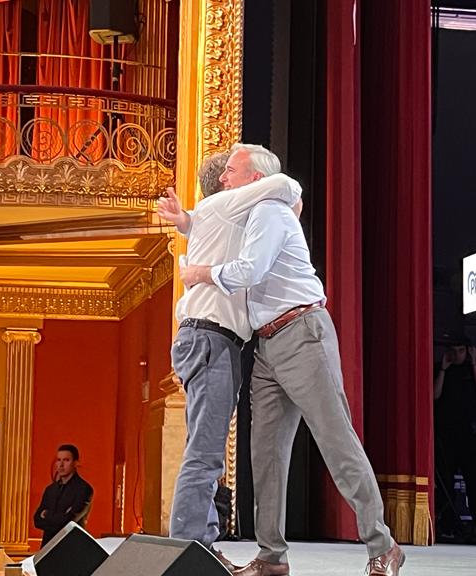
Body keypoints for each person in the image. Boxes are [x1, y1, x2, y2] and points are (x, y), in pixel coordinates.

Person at [179, 144, 403, 576]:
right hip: (266, 345)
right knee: (265, 454)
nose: (222, 178)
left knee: (336, 441)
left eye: (230, 170)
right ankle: (270, 557)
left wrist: (198, 272)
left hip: (302, 332)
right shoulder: (249, 215)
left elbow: (249, 272)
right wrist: (186, 222)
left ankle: (383, 545)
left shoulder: (269, 211)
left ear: (256, 179)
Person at [155, 148, 301, 570]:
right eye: (230, 173)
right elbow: (287, 185)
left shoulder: (219, 215)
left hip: (207, 339)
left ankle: (198, 538)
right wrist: (286, 196)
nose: (224, 180)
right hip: (210, 337)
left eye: (230, 174)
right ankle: (188, 548)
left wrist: (183, 220)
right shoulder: (229, 202)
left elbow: (195, 224)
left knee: (205, 448)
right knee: (205, 452)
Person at [434, 338, 476, 540]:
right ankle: (446, 524)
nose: (457, 355)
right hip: (446, 434)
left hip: (469, 433)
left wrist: (474, 363)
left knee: (473, 481)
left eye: (461, 350)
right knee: (446, 482)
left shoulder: (471, 369)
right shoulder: (441, 369)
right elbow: (434, 395)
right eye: (454, 350)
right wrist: (443, 368)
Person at [33, 445, 93, 547]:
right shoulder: (50, 490)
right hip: (47, 547)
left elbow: (69, 521)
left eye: (66, 460)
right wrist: (59, 517)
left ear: (75, 463)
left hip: (70, 547)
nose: (61, 465)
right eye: (58, 460)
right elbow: (37, 520)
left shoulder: (84, 489)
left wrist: (47, 515)